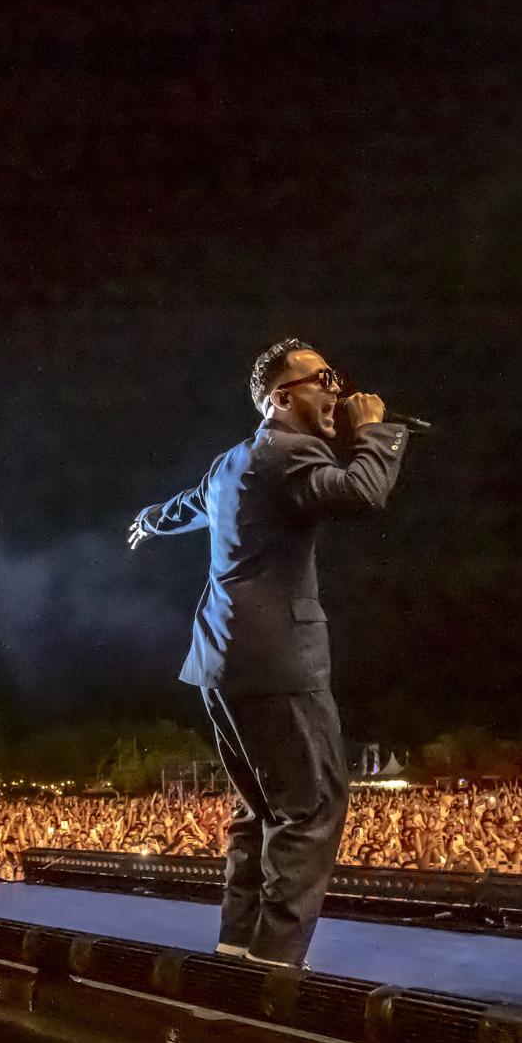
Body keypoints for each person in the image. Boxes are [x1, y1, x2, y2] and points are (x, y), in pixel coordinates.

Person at [128, 338, 411, 966]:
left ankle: (236, 952)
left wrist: (150, 518)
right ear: (282, 397)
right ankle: (275, 965)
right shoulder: (291, 450)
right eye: (324, 378)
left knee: (261, 810)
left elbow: (191, 505)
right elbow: (360, 492)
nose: (337, 389)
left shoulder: (233, 462)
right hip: (279, 660)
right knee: (311, 808)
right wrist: (379, 431)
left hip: (223, 659)